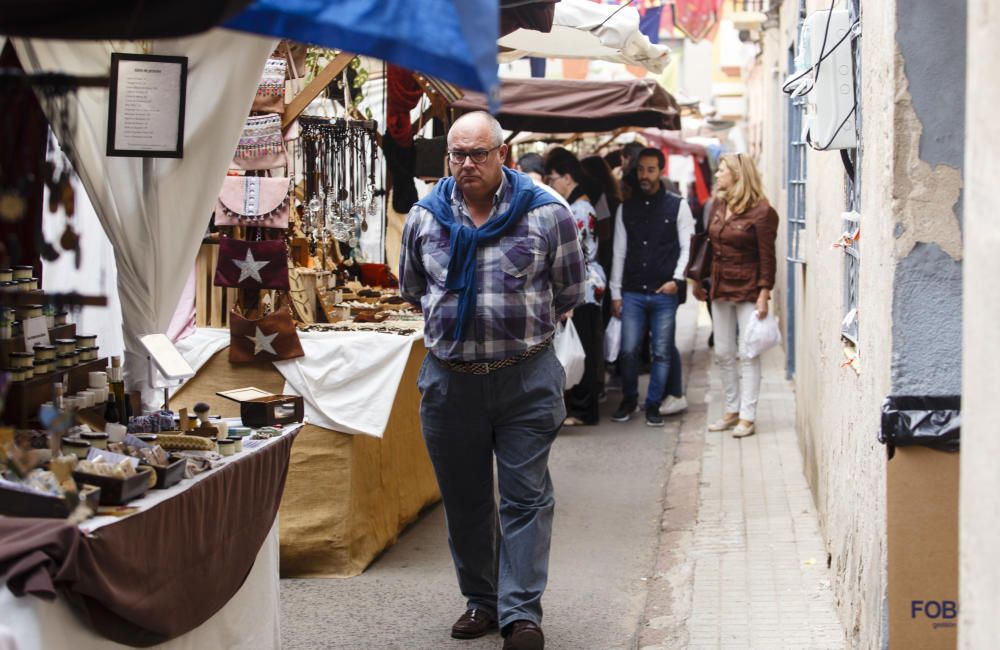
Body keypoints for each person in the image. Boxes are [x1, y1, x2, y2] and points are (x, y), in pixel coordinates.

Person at [399, 111, 585, 650]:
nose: (467, 164)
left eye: (479, 153)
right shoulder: (423, 217)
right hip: (449, 383)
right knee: (465, 499)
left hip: (525, 379)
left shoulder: (549, 213)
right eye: (457, 154)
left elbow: (570, 291)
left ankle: (521, 613)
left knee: (524, 498)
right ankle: (482, 600)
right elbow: (414, 291)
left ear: (502, 154)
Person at [609, 148, 694, 426]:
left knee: (661, 351)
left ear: (661, 171)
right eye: (641, 170)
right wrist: (615, 292)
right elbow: (619, 252)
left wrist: (678, 280)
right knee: (629, 350)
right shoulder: (626, 208)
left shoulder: (677, 205)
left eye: (651, 169)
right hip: (632, 291)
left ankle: (654, 404)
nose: (645, 175)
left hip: (663, 292)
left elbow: (688, 247)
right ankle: (630, 398)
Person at [705, 152, 779, 439]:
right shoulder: (718, 205)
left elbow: (767, 257)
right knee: (723, 352)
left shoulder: (762, 212)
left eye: (722, 170)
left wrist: (764, 293)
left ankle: (748, 416)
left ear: (737, 174)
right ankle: (731, 409)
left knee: (748, 353)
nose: (717, 174)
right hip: (720, 286)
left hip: (748, 288)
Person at [544, 148, 606, 426]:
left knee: (584, 348)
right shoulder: (582, 205)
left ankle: (584, 409)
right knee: (586, 346)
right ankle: (583, 406)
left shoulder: (579, 209)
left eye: (553, 177)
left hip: (584, 288)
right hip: (589, 286)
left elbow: (575, 254)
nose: (551, 183)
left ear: (567, 177)